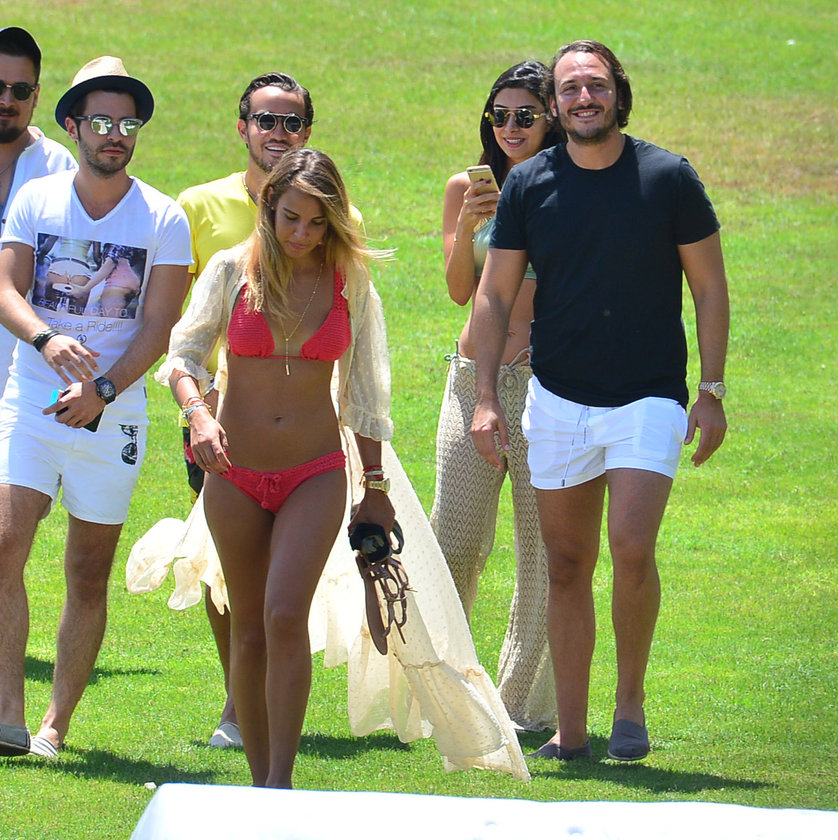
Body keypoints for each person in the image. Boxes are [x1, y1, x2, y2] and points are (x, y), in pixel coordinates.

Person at [471, 40, 729, 762]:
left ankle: (630, 707)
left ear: (618, 92)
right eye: (570, 89)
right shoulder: (530, 184)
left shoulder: (669, 177)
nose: (584, 98)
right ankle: (571, 731)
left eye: (596, 85)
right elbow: (494, 294)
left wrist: (711, 390)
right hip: (556, 398)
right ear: (556, 105)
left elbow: (709, 287)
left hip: (648, 397)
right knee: (565, 563)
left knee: (632, 549)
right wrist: (487, 397)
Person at [157, 148, 395, 788]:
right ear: (269, 207)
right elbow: (183, 356)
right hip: (234, 473)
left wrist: (375, 487)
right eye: (292, 218)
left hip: (314, 472)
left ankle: (281, 784)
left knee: (285, 614)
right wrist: (199, 416)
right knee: (249, 628)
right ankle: (260, 784)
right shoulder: (232, 270)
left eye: (318, 222)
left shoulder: (349, 281)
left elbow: (367, 392)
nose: (302, 234)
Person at [0, 56, 191, 758]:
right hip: (31, 399)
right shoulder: (37, 199)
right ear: (73, 126)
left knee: (87, 571)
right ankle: (8, 714)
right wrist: (47, 341)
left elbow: (159, 327)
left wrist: (103, 391)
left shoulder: (164, 216)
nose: (116, 135)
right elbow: (7, 289)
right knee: (4, 544)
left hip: (115, 416)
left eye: (128, 124)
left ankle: (56, 726)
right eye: (103, 122)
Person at [175, 72, 327, 749]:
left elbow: (348, 342)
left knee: (284, 596)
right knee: (228, 579)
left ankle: (267, 732)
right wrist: (198, 410)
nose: (278, 132)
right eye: (266, 120)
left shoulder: (335, 221)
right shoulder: (200, 207)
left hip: (310, 436)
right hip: (218, 425)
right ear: (243, 127)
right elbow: (181, 329)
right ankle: (239, 707)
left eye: (291, 122)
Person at [430, 61, 563, 732]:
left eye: (526, 115)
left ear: (551, 120)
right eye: (499, 115)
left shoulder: (571, 187)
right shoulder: (468, 187)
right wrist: (471, 222)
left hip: (548, 382)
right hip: (472, 376)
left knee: (542, 552)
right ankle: (444, 694)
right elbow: (461, 290)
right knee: (451, 539)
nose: (511, 127)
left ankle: (519, 708)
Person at [0, 26, 76, 393]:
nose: (6, 100)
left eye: (20, 90)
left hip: (26, 370)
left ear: (36, 95)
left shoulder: (57, 167)